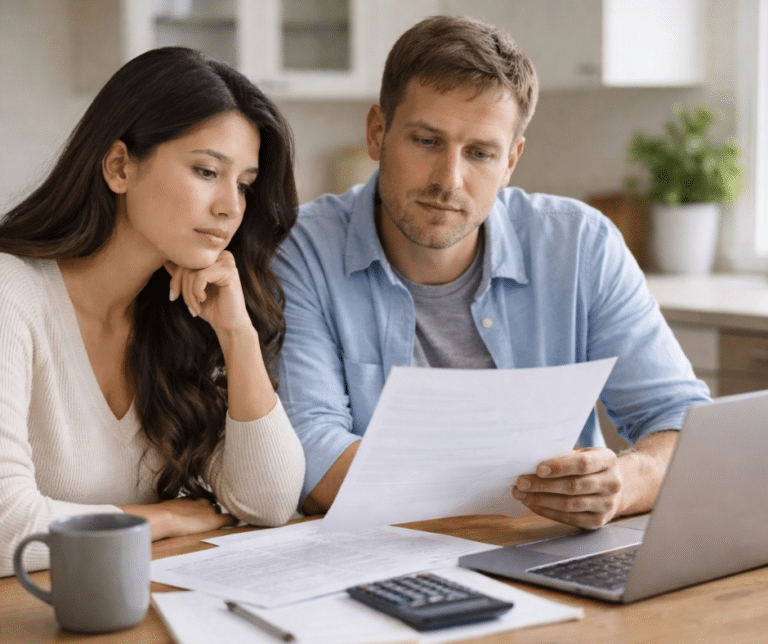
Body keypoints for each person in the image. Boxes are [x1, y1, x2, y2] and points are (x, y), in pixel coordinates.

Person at [272, 15, 711, 530]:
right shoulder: (302, 249)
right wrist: (500, 494)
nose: (448, 180)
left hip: (554, 553)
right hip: (385, 558)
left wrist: (622, 484)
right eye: (426, 141)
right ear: (377, 132)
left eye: (480, 153)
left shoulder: (581, 244)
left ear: (511, 161)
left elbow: (682, 421)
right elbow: (312, 453)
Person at [0, 47, 305, 577]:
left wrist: (237, 335)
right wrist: (161, 518)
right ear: (120, 166)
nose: (231, 207)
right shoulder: (11, 297)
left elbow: (269, 502)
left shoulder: (182, 315)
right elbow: (7, 530)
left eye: (245, 185)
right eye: (207, 171)